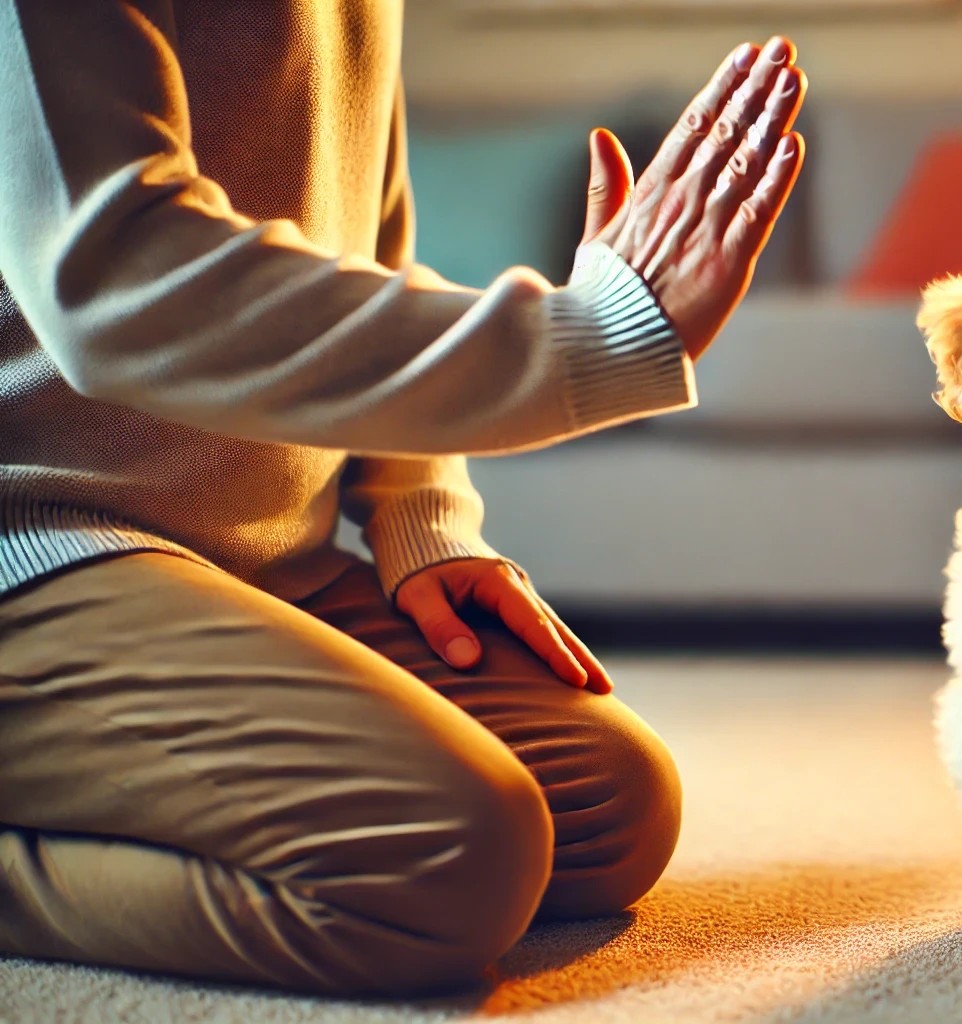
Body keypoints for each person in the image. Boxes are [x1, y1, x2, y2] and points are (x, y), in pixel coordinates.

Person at [0, 2, 806, 997]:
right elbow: (112, 281)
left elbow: (363, 254)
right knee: (452, 858)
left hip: (253, 558)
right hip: (37, 547)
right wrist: (581, 337)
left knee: (609, 812)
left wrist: (420, 510)